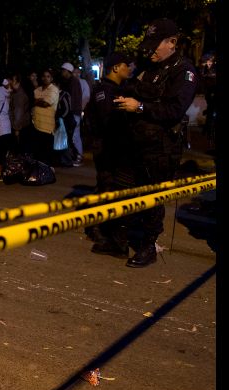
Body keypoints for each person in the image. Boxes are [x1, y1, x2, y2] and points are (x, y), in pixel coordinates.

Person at [113, 18, 197, 267]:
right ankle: (123, 237)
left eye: (155, 45)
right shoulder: (148, 67)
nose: (150, 50)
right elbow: (135, 88)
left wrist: (138, 106)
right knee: (132, 192)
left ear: (172, 43)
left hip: (161, 148)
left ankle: (148, 246)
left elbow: (174, 110)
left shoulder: (184, 71)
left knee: (153, 197)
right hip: (137, 143)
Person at [86, 52, 135, 254]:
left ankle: (104, 229)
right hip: (107, 150)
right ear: (115, 68)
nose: (130, 69)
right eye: (126, 65)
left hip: (116, 150)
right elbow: (108, 124)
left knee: (110, 188)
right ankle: (99, 231)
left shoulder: (118, 89)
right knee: (107, 189)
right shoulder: (104, 91)